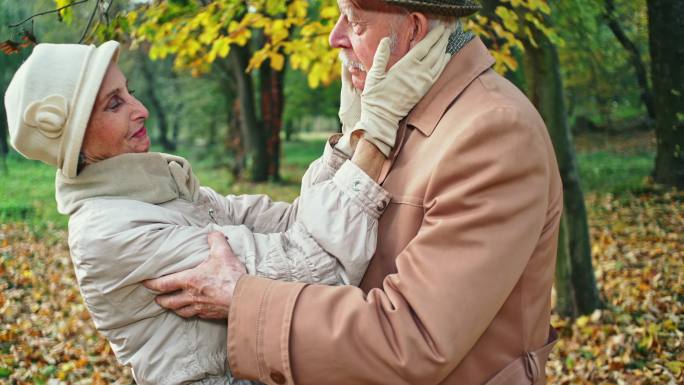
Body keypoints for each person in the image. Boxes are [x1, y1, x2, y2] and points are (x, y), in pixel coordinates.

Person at [4, 25, 452, 385]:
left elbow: (295, 222)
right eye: (114, 104)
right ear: (76, 144)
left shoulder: (164, 193)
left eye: (130, 91)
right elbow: (319, 269)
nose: (140, 110)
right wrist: (375, 133)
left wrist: (350, 134)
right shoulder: (111, 234)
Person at [146, 0, 564, 384]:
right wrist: (355, 139)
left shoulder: (492, 132)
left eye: (355, 21)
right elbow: (318, 237)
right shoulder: (396, 112)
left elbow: (414, 338)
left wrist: (241, 301)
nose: (335, 37)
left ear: (414, 30)